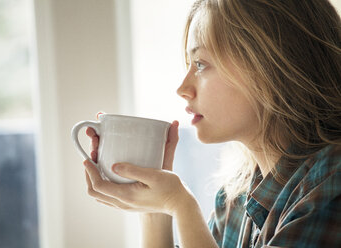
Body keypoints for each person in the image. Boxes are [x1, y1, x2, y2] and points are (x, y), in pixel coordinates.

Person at [83, 0, 341, 247]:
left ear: (270, 65)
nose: (182, 89)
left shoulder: (332, 182)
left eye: (200, 64)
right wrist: (155, 209)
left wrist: (182, 206)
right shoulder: (235, 199)